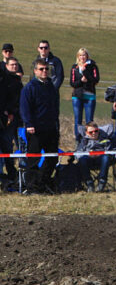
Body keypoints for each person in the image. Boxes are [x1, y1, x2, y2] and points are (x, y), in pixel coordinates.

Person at [20, 58, 60, 193]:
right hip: (35, 129)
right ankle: (32, 186)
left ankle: (42, 183)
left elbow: (55, 107)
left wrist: (56, 124)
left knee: (52, 158)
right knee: (33, 159)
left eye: (46, 69)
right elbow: (25, 108)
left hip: (50, 128)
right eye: (41, 69)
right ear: (35, 71)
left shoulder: (51, 87)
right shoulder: (29, 88)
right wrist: (29, 124)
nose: (44, 71)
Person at [69, 48, 100, 142]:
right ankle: (78, 141)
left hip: (89, 95)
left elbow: (95, 80)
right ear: (78, 57)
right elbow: (72, 83)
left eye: (84, 55)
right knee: (77, 120)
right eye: (80, 55)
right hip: (77, 96)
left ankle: (89, 141)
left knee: (89, 121)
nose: (82, 57)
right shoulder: (74, 67)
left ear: (87, 56)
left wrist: (85, 72)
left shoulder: (93, 66)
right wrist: (81, 81)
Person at [0, 57, 23, 185]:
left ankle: (11, 174)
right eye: (12, 64)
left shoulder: (16, 82)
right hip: (3, 115)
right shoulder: (4, 79)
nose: (14, 67)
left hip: (9, 118)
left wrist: (11, 112)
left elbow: (16, 100)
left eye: (16, 64)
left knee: (7, 146)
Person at [75, 121, 112, 193]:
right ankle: (89, 183)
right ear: (86, 133)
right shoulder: (83, 141)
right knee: (82, 159)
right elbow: (77, 154)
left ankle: (102, 182)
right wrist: (88, 154)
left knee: (106, 157)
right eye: (91, 132)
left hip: (101, 160)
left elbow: (110, 151)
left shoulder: (105, 140)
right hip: (88, 160)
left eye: (96, 131)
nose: (94, 133)